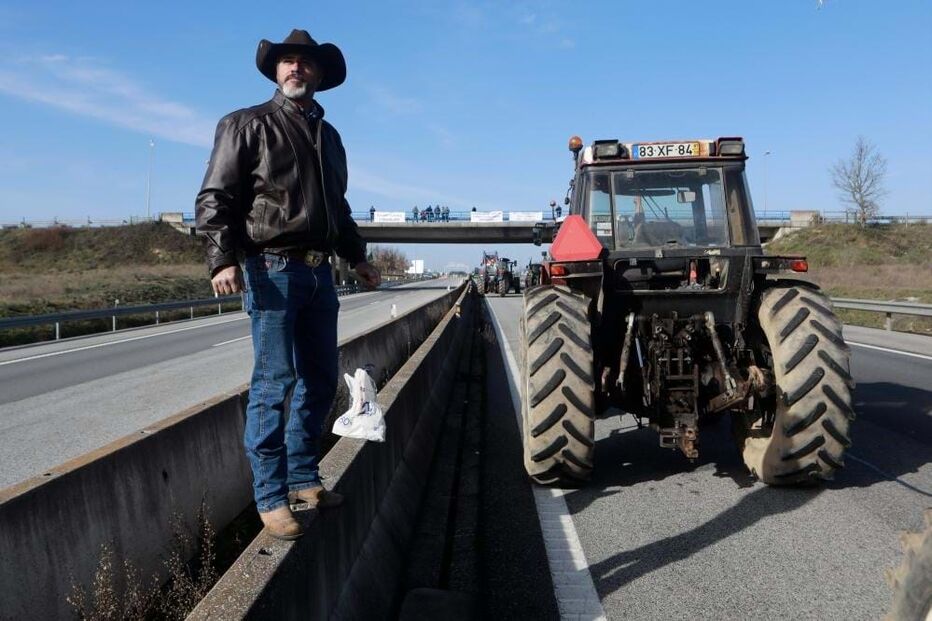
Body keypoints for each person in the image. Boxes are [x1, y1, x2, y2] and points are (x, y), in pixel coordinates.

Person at [195, 28, 381, 540]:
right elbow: (215, 197)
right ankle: (271, 497)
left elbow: (337, 209)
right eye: (287, 62)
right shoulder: (246, 124)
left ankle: (303, 477)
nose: (295, 68)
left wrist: (358, 258)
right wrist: (221, 260)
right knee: (274, 382)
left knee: (320, 379)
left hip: (322, 272)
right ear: (277, 72)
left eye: (305, 62)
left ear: (319, 75)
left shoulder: (330, 136)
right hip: (270, 268)